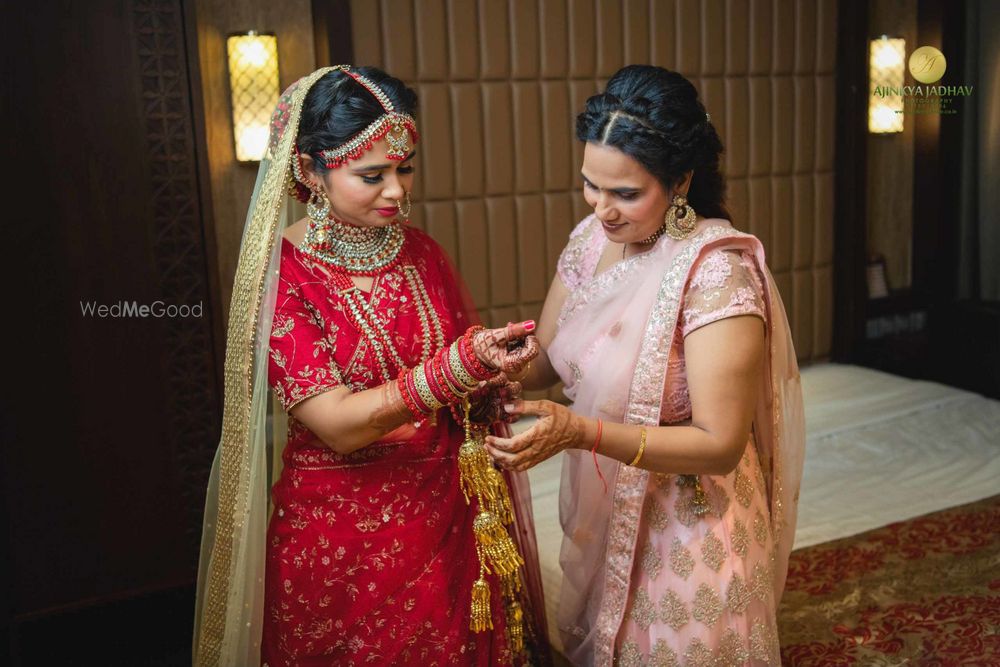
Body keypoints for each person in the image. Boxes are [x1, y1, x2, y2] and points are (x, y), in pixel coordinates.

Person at [193, 65, 551, 667]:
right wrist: (456, 368)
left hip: (448, 516)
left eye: (404, 168)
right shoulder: (284, 280)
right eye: (372, 174)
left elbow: (455, 368)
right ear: (310, 170)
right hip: (344, 540)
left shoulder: (422, 252)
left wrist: (491, 369)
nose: (396, 191)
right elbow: (336, 422)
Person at [486, 65, 804, 666]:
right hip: (609, 500)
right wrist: (485, 365)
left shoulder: (717, 271)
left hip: (690, 525)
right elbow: (550, 357)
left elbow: (718, 444)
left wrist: (582, 432)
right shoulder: (590, 239)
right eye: (590, 185)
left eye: (626, 194)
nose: (602, 210)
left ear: (681, 180)